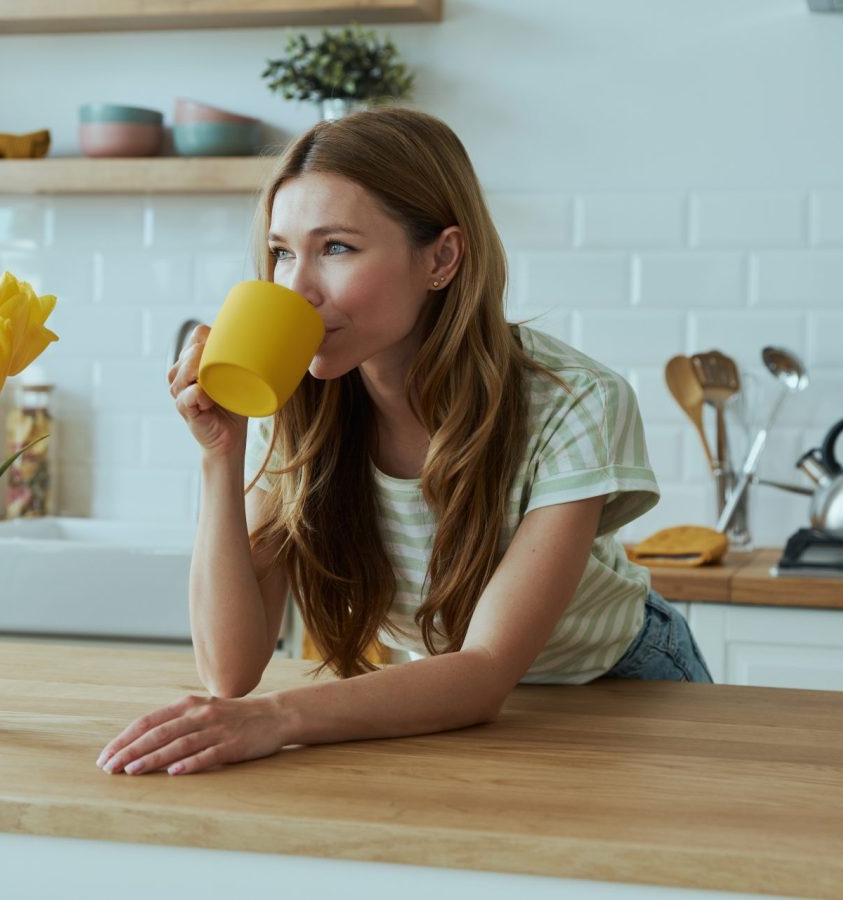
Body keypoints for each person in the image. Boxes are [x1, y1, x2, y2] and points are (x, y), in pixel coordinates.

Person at [96, 107, 712, 778]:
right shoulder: (296, 399)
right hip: (434, 699)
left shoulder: (576, 401)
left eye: (336, 248)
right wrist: (222, 454)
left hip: (620, 688)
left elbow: (483, 672)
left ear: (442, 258)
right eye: (281, 252)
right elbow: (230, 669)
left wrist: (277, 718)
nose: (297, 289)